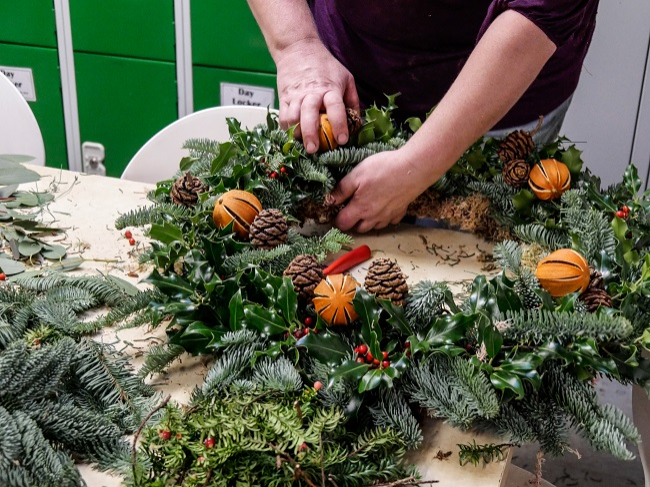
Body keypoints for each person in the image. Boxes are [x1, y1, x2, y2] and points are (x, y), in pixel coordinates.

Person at [246, 0, 599, 232]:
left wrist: (417, 165)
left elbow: (540, 7)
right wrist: (297, 46)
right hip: (347, 76)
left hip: (499, 99)